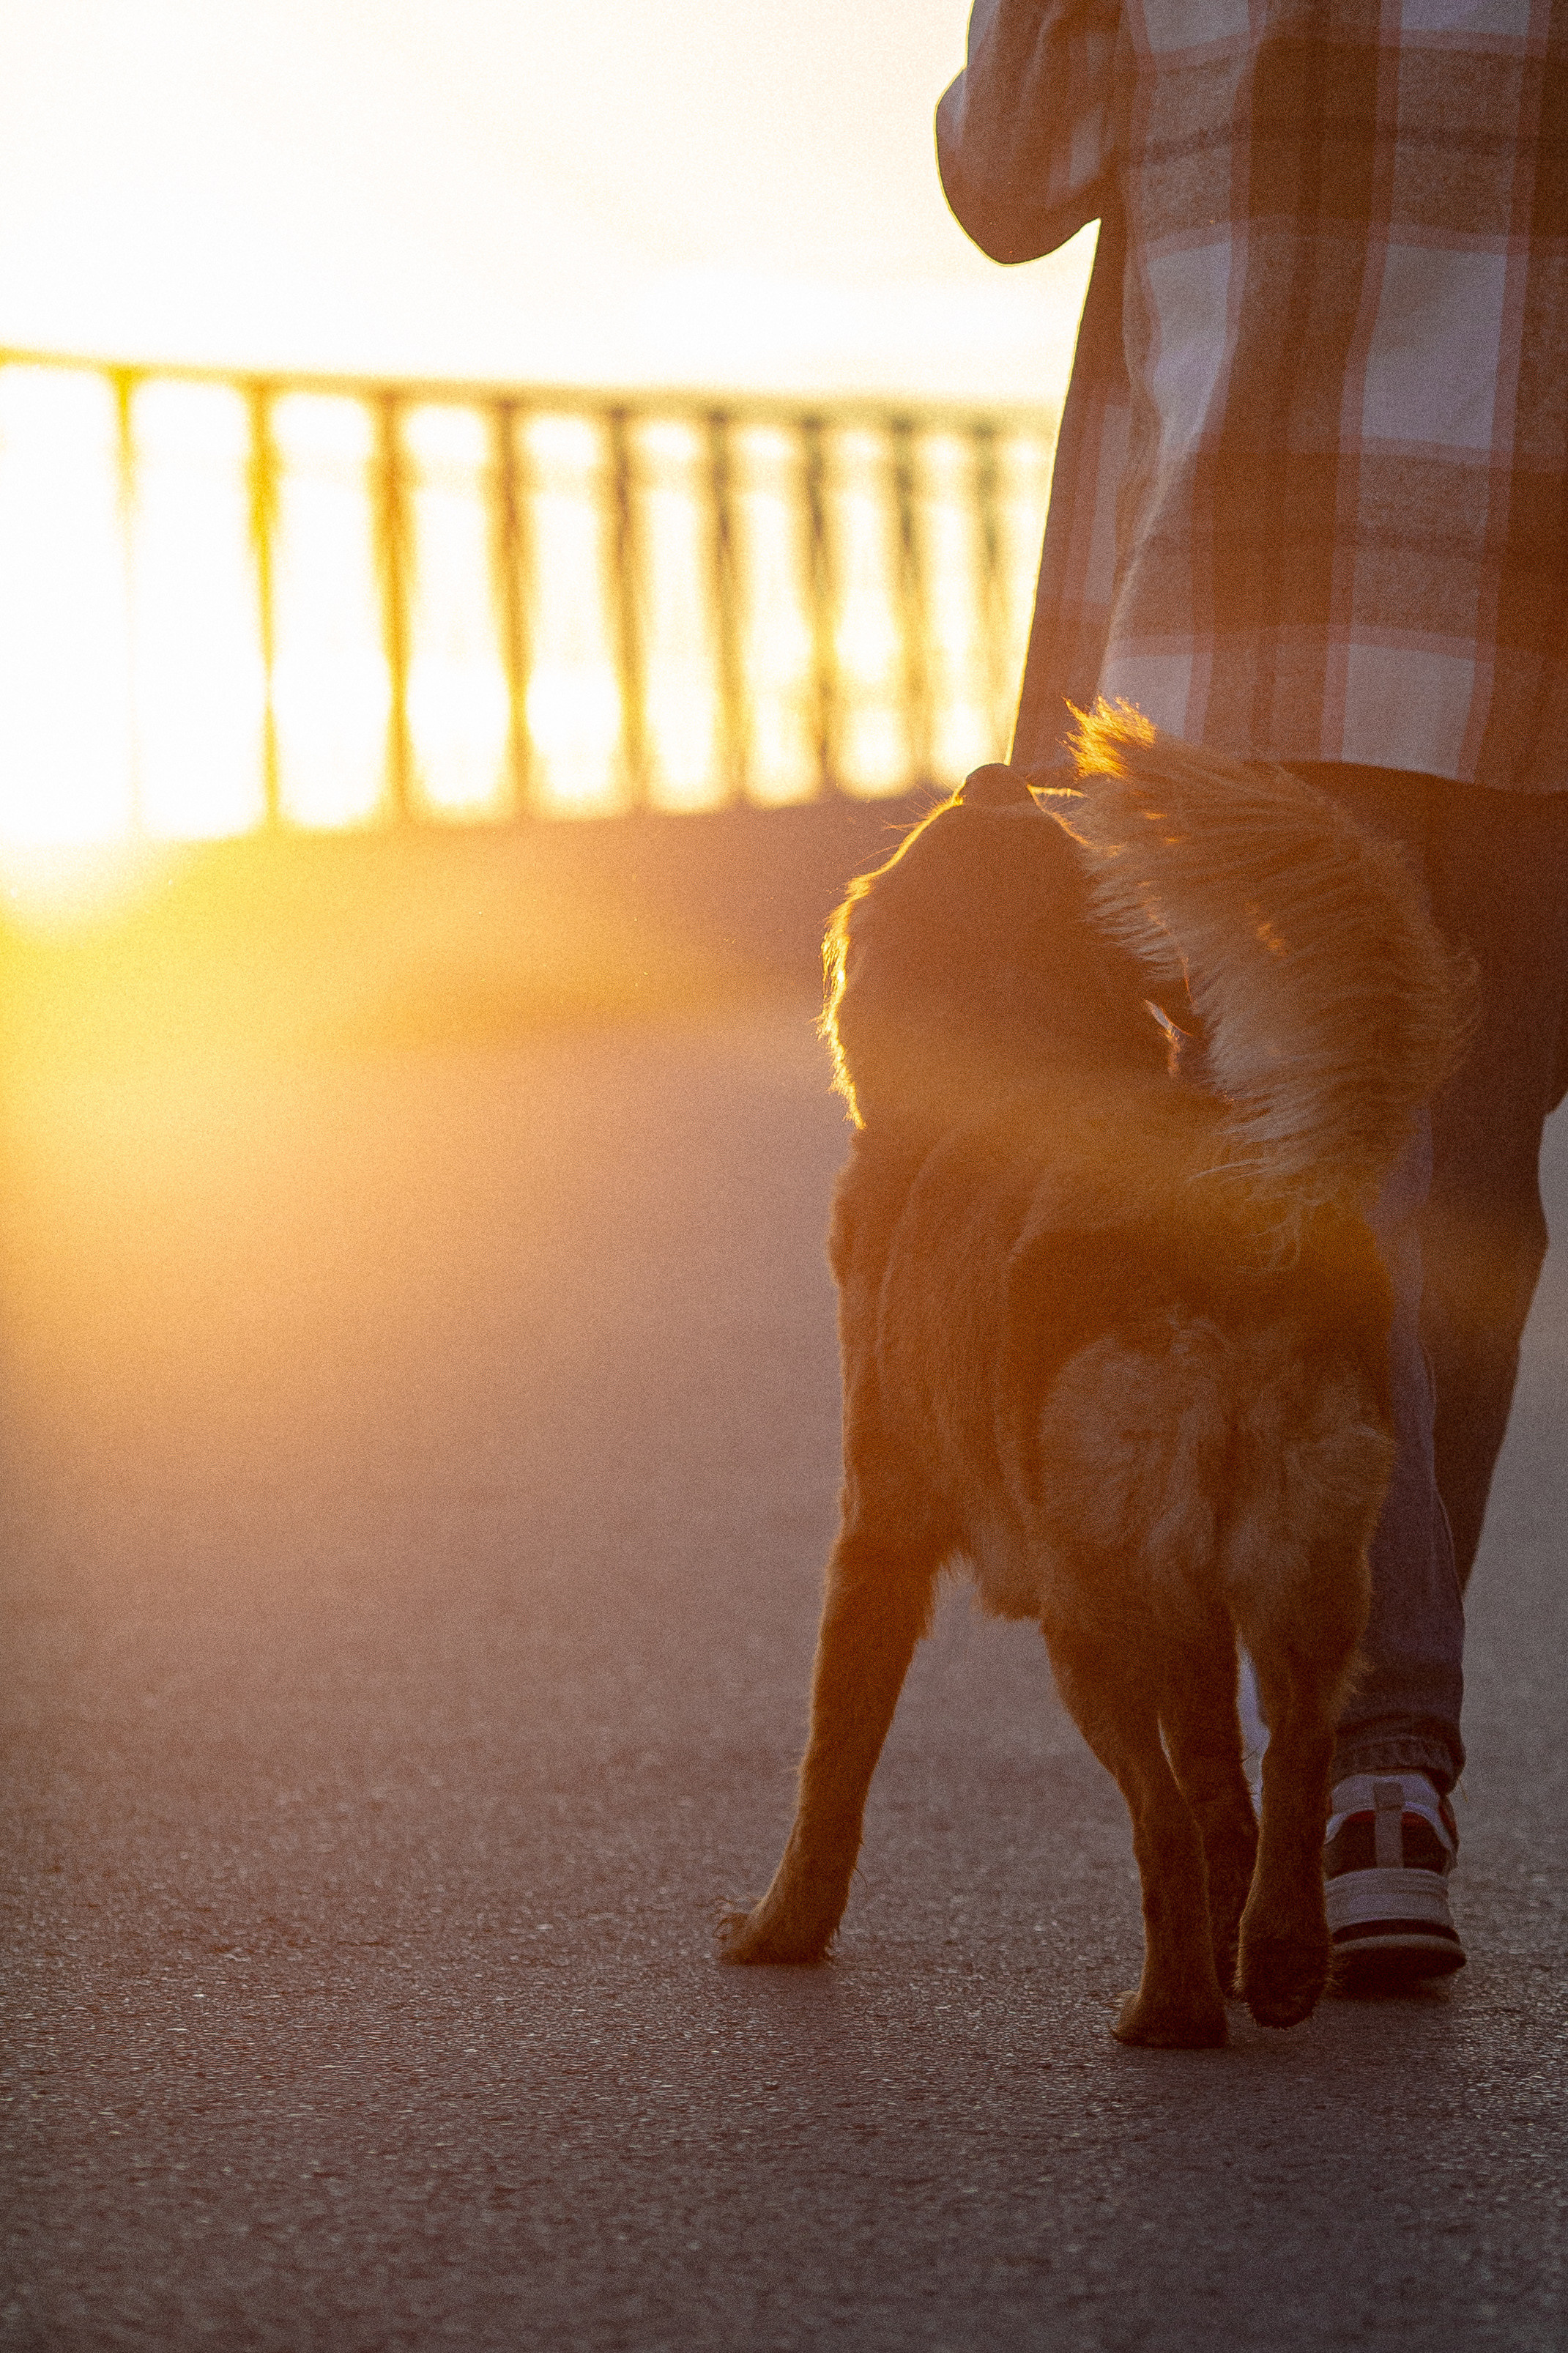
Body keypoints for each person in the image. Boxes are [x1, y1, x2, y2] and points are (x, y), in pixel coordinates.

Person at [937, 0, 1568, 1988]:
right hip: (1525, 591)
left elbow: (1006, 176)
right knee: (1457, 1186)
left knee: (1304, 1198)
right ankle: (1373, 1770)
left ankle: (1333, 1775)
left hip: (1233, 611)